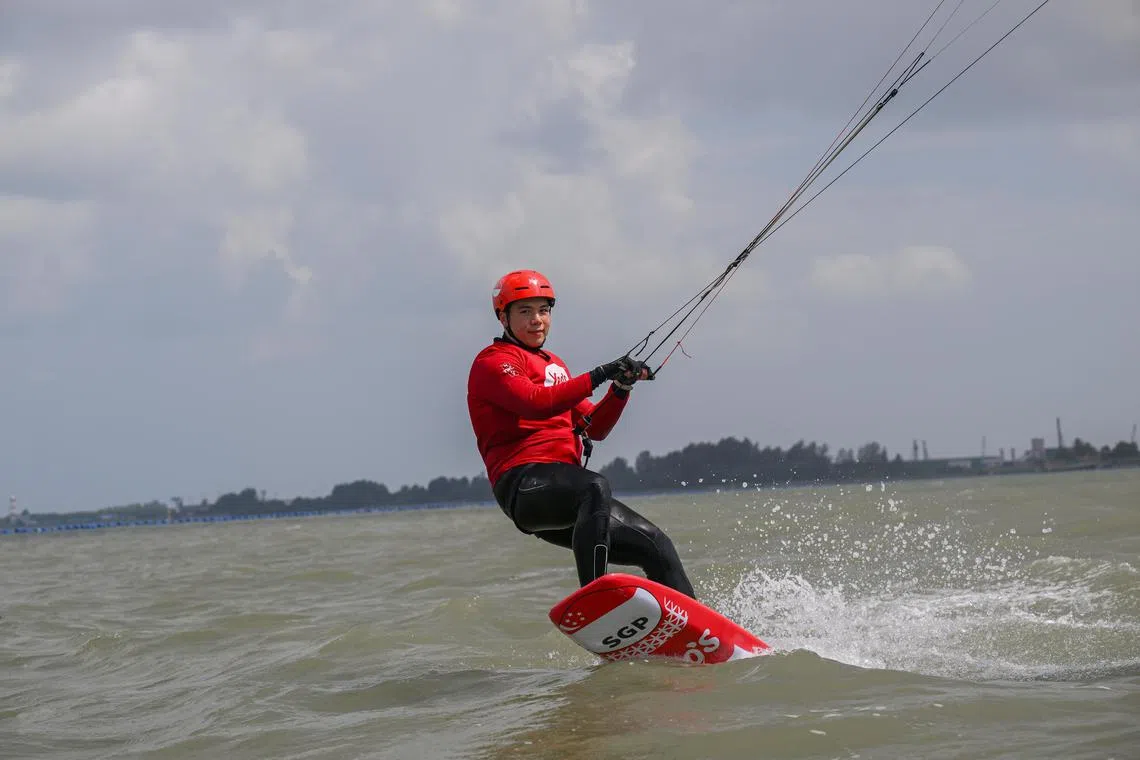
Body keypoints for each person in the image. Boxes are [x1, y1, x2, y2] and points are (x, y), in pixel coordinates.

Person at [466, 269, 696, 598]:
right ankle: (595, 599)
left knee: (657, 545)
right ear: (503, 318)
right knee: (594, 486)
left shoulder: (555, 365)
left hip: (571, 494)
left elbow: (595, 427)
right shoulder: (493, 362)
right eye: (525, 312)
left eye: (543, 311)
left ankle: (694, 625)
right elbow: (535, 403)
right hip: (524, 487)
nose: (536, 320)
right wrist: (600, 373)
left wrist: (620, 388)